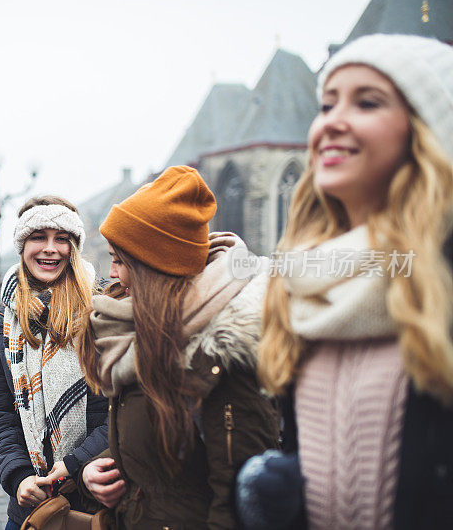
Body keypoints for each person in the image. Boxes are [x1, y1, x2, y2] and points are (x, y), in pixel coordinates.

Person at [236, 34, 453, 530]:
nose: (331, 120)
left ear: (429, 128)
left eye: (368, 102)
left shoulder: (442, 277)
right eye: (327, 103)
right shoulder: (305, 291)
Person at [76, 165, 279, 529]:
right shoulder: (145, 330)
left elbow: (236, 500)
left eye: (122, 261)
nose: (114, 274)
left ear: (155, 268)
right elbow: (161, 447)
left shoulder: (223, 353)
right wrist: (100, 469)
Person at [0, 196, 109, 530]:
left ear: (75, 247)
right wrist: (18, 477)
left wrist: (74, 463)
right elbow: (0, 411)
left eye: (62, 239)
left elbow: (122, 410)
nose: (50, 248)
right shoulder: (5, 319)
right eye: (38, 237)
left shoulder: (102, 309)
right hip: (31, 506)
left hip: (92, 495)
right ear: (22, 244)